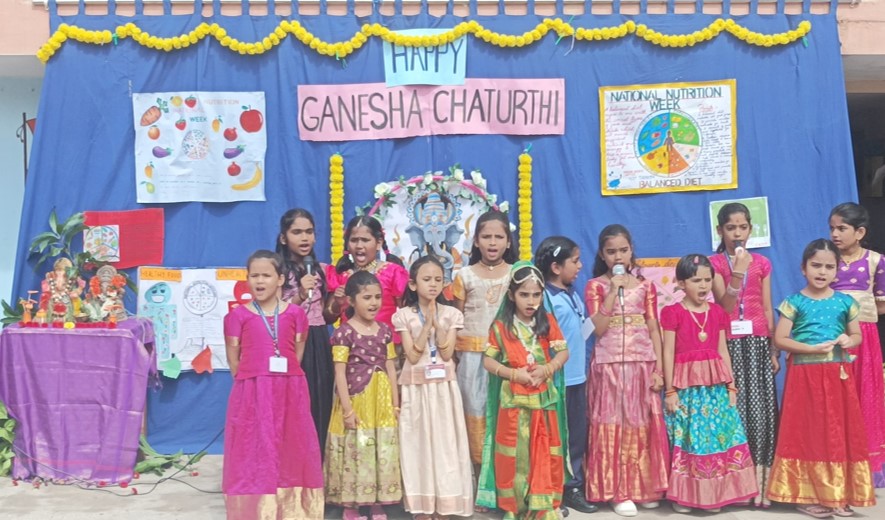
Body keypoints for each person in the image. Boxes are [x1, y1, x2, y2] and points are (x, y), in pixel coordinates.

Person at [767, 239, 875, 517]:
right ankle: (806, 494)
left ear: (837, 270)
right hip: (804, 376)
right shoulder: (794, 302)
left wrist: (847, 340)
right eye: (816, 265)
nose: (822, 272)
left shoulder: (845, 302)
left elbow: (856, 336)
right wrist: (811, 349)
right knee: (808, 430)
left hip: (837, 375)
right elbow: (780, 339)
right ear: (803, 268)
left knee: (837, 430)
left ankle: (837, 494)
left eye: (829, 267)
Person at [222, 250, 323, 519]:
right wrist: (255, 382)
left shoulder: (296, 314)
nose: (259, 281)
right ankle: (256, 509)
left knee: (291, 445)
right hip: (252, 392)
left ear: (280, 279)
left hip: (290, 391)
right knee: (254, 446)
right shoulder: (237, 317)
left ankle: (293, 509)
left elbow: (296, 354)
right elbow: (234, 361)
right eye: (254, 275)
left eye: (266, 275)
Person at [662, 254, 758, 513]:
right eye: (696, 281)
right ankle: (685, 496)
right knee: (690, 439)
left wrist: (731, 385)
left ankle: (717, 494)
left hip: (715, 389)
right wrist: (670, 390)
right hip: (687, 390)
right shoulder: (672, 313)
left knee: (718, 438)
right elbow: (668, 352)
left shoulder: (717, 313)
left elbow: (723, 351)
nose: (703, 285)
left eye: (707, 280)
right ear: (681, 283)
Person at [583, 224, 668, 517]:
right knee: (613, 426)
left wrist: (659, 369)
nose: (618, 256)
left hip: (642, 364)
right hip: (609, 366)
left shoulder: (646, 286)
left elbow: (654, 328)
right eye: (611, 252)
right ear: (602, 255)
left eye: (623, 250)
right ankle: (615, 490)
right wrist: (612, 292)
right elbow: (598, 328)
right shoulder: (595, 286)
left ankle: (642, 487)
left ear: (632, 251)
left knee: (640, 425)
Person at [475, 261, 571, 519]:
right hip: (514, 403)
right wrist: (513, 374)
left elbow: (563, 352)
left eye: (536, 295)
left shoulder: (547, 321)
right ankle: (514, 508)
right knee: (515, 455)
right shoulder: (501, 327)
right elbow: (488, 361)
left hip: (543, 401)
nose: (531, 301)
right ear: (511, 295)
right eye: (524, 294)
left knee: (543, 450)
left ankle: (543, 505)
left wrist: (548, 368)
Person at [392, 256, 473, 519]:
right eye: (426, 279)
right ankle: (421, 507)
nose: (433, 284)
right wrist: (425, 327)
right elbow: (412, 356)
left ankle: (445, 505)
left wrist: (437, 326)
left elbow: (447, 354)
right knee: (418, 445)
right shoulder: (403, 316)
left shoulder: (451, 314)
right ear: (413, 284)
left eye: (438, 279)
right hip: (416, 390)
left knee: (445, 445)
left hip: (443, 390)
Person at [709, 203, 779, 506]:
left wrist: (773, 349)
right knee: (734, 411)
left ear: (750, 229)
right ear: (720, 231)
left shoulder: (762, 262)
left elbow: (766, 308)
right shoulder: (714, 263)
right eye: (730, 228)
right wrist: (737, 272)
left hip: (758, 342)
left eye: (742, 227)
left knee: (762, 413)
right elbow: (724, 307)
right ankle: (736, 487)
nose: (737, 234)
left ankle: (761, 487)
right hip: (729, 344)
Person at [324, 271, 402, 520]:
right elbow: (339, 372)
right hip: (356, 400)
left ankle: (379, 500)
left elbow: (391, 366)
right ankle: (353, 503)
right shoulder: (344, 333)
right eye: (367, 297)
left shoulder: (385, 331)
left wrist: (395, 404)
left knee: (382, 447)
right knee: (356, 447)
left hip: (381, 402)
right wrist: (347, 410)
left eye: (378, 297)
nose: (374, 303)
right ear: (351, 300)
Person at [450, 210, 517, 479]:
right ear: (476, 241)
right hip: (471, 357)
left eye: (499, 237)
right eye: (486, 236)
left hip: (507, 357)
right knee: (474, 412)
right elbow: (456, 319)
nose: (492, 242)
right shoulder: (464, 275)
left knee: (504, 413)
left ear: (508, 242)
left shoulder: (515, 274)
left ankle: (505, 478)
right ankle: (478, 479)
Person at [534, 236, 598, 515]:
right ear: (556, 267)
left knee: (576, 435)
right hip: (556, 380)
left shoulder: (572, 294)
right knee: (553, 436)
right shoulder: (545, 298)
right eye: (575, 261)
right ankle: (550, 490)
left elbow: (582, 332)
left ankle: (572, 487)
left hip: (577, 378)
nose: (580, 266)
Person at [829, 202, 885, 486]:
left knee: (865, 394)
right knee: (836, 398)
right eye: (832, 228)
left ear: (860, 232)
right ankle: (836, 461)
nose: (835, 234)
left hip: (864, 338)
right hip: (831, 337)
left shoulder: (876, 261)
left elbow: (881, 305)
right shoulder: (828, 259)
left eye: (842, 228)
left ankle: (866, 465)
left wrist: (854, 315)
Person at [276, 208, 334, 453]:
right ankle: (293, 458)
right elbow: (276, 313)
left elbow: (327, 315)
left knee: (320, 398)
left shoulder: (320, 269)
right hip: (290, 342)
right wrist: (300, 295)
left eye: (309, 232)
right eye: (297, 232)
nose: (304, 238)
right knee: (295, 401)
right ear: (283, 237)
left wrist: (338, 304)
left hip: (318, 338)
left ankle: (317, 457)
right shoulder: (278, 272)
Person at [326, 216, 408, 345]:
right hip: (349, 347)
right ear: (347, 244)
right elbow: (327, 318)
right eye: (354, 240)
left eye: (365, 240)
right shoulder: (340, 275)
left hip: (386, 346)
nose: (359, 246)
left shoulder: (393, 273)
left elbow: (407, 313)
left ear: (379, 243)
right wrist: (337, 304)